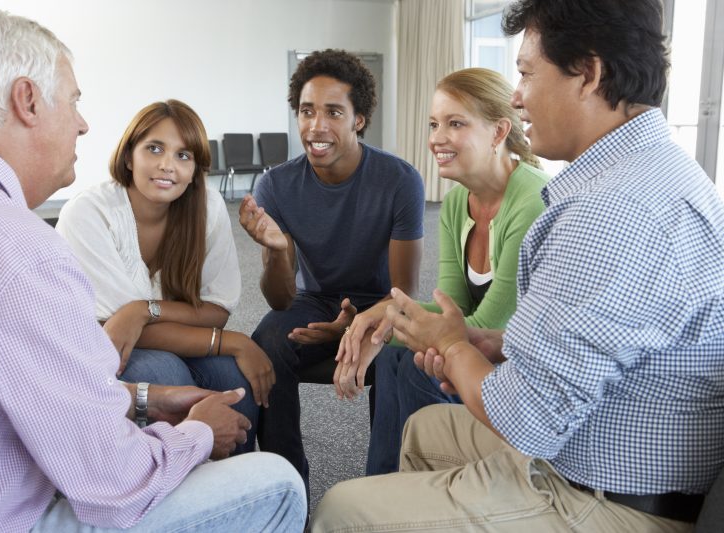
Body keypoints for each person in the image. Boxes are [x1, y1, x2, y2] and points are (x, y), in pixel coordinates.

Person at [312, 0, 724, 531]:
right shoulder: (648, 173)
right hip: (590, 444)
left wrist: (457, 347)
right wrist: (493, 342)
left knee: (339, 510)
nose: (517, 95)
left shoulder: (612, 212)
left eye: (527, 72)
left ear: (588, 73)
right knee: (423, 432)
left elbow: (526, 418)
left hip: (606, 496)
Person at [0, 8, 304, 532]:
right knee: (279, 483)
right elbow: (114, 484)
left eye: (184, 156)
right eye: (74, 100)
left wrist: (149, 399)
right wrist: (195, 434)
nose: (81, 122)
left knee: (199, 378)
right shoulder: (22, 250)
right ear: (28, 101)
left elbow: (35, 385)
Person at [334, 68, 548, 475]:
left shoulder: (531, 201)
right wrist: (377, 320)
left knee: (416, 366)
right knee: (396, 361)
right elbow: (451, 308)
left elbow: (485, 326)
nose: (436, 138)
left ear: (499, 132)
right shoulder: (454, 204)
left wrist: (384, 328)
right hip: (479, 349)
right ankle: (383, 487)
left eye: (455, 124)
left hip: (519, 365)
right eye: (434, 124)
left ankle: (430, 488)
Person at [239, 48, 425, 495]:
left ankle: (383, 491)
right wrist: (279, 251)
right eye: (306, 111)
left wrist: (359, 325)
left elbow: (406, 292)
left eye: (333, 112)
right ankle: (288, 487)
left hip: (382, 303)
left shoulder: (400, 180)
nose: (316, 126)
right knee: (265, 342)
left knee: (403, 349)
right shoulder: (276, 185)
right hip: (313, 301)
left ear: (359, 119)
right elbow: (281, 301)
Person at [56, 100, 273, 453]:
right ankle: (177, 488)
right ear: (129, 157)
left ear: (195, 169)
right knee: (166, 372)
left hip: (166, 336)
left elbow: (215, 308)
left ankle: (237, 485)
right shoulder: (89, 213)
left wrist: (142, 310)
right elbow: (117, 330)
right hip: (99, 350)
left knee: (234, 379)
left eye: (183, 155)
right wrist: (233, 341)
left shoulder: (207, 206)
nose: (167, 166)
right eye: (154, 149)